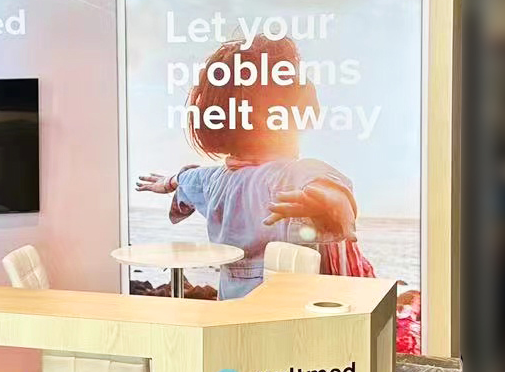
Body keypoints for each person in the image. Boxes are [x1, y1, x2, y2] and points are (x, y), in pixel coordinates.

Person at [135, 34, 373, 299]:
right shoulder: (292, 175)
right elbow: (327, 185)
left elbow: (188, 179)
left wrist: (168, 182)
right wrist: (331, 203)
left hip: (234, 309)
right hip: (292, 313)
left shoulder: (214, 181)